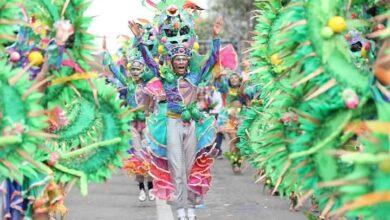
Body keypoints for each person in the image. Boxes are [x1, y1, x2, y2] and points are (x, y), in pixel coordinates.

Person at [129, 12, 223, 220]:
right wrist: (138, 40)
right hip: (172, 122)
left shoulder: (195, 76)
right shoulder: (166, 79)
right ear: (171, 62)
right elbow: (150, 62)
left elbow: (213, 59)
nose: (180, 62)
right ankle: (180, 209)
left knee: (189, 167)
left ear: (187, 61)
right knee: (176, 167)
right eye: (177, 59)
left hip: (192, 124)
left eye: (183, 59)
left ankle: (189, 206)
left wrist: (216, 37)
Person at [103, 39, 155, 202]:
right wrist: (106, 54)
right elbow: (114, 71)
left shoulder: (150, 83)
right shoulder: (128, 84)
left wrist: (143, 44)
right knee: (138, 155)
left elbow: (154, 67)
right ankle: (141, 188)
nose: (135, 71)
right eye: (132, 69)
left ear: (143, 69)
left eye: (138, 68)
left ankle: (152, 187)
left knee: (149, 154)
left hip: (147, 122)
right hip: (132, 123)